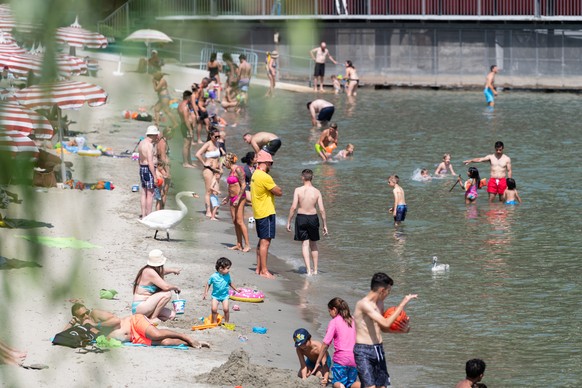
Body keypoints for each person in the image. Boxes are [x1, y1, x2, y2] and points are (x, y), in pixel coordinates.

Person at [353, 273, 417, 388]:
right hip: (363, 351)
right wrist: (402, 304)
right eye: (389, 291)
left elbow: (383, 328)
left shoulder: (380, 303)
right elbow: (386, 322)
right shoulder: (363, 304)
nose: (388, 294)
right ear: (382, 290)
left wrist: (403, 330)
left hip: (378, 349)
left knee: (382, 386)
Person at [286, 169, 328, 276]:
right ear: (312, 178)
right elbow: (322, 209)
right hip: (313, 218)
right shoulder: (317, 191)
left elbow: (293, 207)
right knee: (313, 244)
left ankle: (308, 271)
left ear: (302, 177)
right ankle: (316, 270)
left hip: (301, 218)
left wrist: (289, 221)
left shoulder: (298, 190)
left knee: (305, 244)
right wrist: (325, 225)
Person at [312, 298, 360, 388]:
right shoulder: (353, 320)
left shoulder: (334, 322)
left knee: (336, 383)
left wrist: (318, 361)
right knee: (351, 384)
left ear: (334, 309)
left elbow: (326, 344)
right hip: (354, 358)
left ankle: (341, 386)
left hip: (341, 359)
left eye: (329, 311)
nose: (330, 314)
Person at [250, 150, 283, 279]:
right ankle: (264, 270)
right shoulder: (264, 176)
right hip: (266, 212)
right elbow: (278, 191)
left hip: (258, 211)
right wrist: (278, 189)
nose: (271, 167)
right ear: (267, 163)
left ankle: (258, 268)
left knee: (261, 241)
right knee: (265, 242)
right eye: (270, 164)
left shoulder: (255, 174)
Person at [132, 249, 182, 324]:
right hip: (140, 306)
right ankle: (153, 318)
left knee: (172, 315)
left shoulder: (151, 270)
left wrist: (173, 270)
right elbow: (166, 287)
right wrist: (175, 287)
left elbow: (162, 271)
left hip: (148, 306)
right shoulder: (148, 271)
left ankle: (147, 320)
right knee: (167, 293)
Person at [108, 314, 209, 348]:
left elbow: (115, 320)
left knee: (156, 335)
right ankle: (190, 343)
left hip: (134, 322)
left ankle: (184, 336)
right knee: (165, 342)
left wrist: (97, 325)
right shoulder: (93, 334)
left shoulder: (95, 315)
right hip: (134, 338)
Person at [223, 152, 251, 251]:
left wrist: (238, 199)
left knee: (240, 221)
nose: (223, 165)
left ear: (228, 161)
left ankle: (247, 244)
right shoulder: (231, 171)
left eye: (224, 162)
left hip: (240, 198)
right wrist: (227, 197)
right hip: (232, 198)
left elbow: (243, 185)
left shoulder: (238, 169)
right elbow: (232, 187)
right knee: (235, 221)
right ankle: (239, 244)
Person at [195, 129, 224, 217]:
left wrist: (220, 167)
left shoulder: (217, 144)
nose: (217, 138)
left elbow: (220, 157)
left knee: (215, 191)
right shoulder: (208, 144)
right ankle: (208, 211)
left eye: (219, 136)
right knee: (209, 191)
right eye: (215, 136)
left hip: (216, 170)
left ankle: (213, 210)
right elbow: (198, 154)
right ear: (211, 136)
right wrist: (204, 163)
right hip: (208, 169)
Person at [203, 257, 239, 323]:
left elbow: (230, 282)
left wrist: (236, 289)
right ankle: (214, 322)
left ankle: (226, 322)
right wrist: (205, 293)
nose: (229, 270)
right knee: (214, 309)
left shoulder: (227, 275)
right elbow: (208, 284)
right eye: (227, 268)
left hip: (225, 296)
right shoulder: (213, 276)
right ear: (220, 268)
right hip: (215, 296)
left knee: (226, 309)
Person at [138, 125, 160, 219]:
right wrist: (155, 176)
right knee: (150, 194)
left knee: (143, 192)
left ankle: (143, 214)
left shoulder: (141, 142)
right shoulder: (149, 145)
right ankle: (149, 216)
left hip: (142, 168)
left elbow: (139, 159)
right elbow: (150, 162)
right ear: (154, 135)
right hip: (148, 168)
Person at [177, 90, 195, 168]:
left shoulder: (181, 104)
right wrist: (190, 129)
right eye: (191, 97)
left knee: (188, 144)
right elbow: (186, 119)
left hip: (185, 126)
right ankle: (185, 163)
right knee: (186, 145)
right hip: (186, 127)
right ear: (188, 97)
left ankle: (189, 161)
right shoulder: (184, 106)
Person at [155, 127, 171, 210]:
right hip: (163, 168)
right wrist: (167, 171)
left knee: (163, 191)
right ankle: (160, 210)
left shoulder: (162, 141)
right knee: (163, 192)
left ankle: (160, 210)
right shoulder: (163, 142)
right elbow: (163, 157)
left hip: (161, 167)